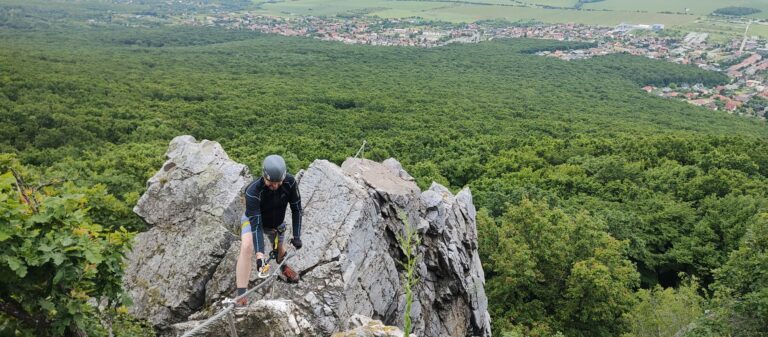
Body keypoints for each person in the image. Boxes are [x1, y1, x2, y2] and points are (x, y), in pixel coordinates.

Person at [235, 154, 302, 305]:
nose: (275, 186)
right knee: (246, 247)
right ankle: (241, 295)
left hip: (275, 224)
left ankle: (283, 266)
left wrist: (297, 235)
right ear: (264, 176)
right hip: (253, 221)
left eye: (278, 182)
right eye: (271, 182)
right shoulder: (253, 191)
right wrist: (260, 256)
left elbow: (297, 209)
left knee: (279, 250)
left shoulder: (290, 183)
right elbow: (257, 226)